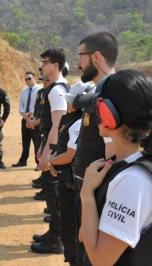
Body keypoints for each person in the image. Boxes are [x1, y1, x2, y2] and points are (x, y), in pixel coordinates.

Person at [79, 70, 152, 265]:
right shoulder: (124, 165)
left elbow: (100, 259)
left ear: (109, 115)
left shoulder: (133, 180)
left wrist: (87, 194)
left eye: (97, 108)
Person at [72, 31, 117, 263]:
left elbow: (112, 156)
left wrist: (95, 213)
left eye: (81, 56)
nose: (78, 63)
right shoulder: (101, 90)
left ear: (96, 57)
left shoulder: (109, 94)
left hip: (98, 199)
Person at [41, 81, 89, 265]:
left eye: (72, 101)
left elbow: (69, 155)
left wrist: (51, 161)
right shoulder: (70, 118)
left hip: (71, 182)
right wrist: (53, 160)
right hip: (63, 177)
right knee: (67, 225)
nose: (67, 104)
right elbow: (62, 146)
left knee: (71, 227)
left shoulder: (78, 123)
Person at [31, 48, 69, 254]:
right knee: (51, 194)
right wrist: (41, 147)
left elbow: (58, 125)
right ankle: (53, 232)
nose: (42, 66)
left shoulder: (57, 91)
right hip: (50, 145)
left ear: (55, 65)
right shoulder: (54, 88)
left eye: (45, 62)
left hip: (55, 150)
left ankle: (57, 239)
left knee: (54, 196)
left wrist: (47, 154)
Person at [12, 71, 40, 168]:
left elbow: (40, 105)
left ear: (34, 78)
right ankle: (23, 161)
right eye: (26, 79)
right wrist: (24, 115)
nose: (27, 81)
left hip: (35, 120)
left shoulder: (40, 90)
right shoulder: (24, 91)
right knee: (25, 141)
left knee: (37, 142)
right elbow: (21, 105)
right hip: (25, 119)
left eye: (29, 78)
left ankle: (39, 163)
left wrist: (31, 115)